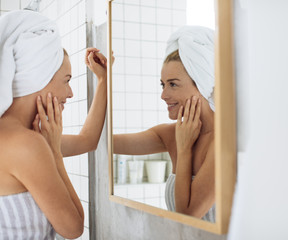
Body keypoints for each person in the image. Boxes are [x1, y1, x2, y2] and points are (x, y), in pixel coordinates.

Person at [0, 10, 109, 239]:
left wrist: (103, 81)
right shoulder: (26, 144)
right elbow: (74, 228)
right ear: (38, 76)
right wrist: (55, 154)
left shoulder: (23, 136)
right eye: (66, 81)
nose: (70, 93)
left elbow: (87, 141)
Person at [113, 26, 216, 222]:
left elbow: (187, 215)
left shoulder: (223, 142)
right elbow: (100, 143)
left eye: (173, 84)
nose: (163, 95)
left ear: (202, 85)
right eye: (163, 84)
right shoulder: (170, 135)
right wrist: (102, 81)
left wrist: (184, 149)